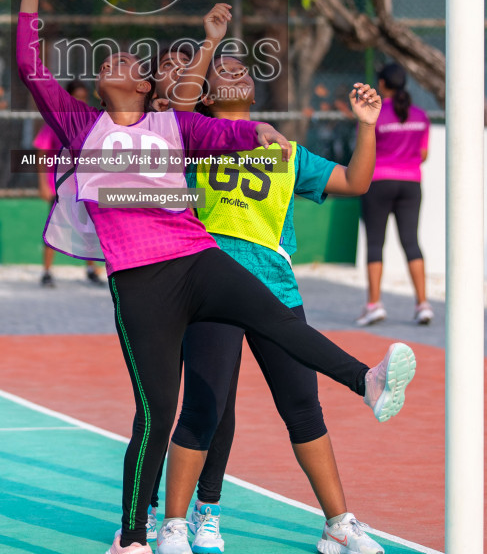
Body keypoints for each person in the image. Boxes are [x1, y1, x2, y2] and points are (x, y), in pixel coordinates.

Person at [5, 0, 416, 554]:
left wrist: (261, 131)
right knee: (159, 411)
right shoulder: (79, 125)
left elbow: (229, 127)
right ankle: (139, 537)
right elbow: (30, 63)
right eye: (114, 60)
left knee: (275, 317)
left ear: (144, 91)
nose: (118, 62)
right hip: (140, 283)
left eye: (129, 64)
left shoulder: (173, 125)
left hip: (196, 259)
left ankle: (367, 382)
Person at [150, 39, 386, 554]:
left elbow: (357, 180)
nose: (237, 72)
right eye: (224, 70)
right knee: (205, 408)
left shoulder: (287, 152)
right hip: (211, 288)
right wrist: (206, 48)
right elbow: (179, 114)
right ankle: (174, 524)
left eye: (242, 69)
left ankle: (338, 523)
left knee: (303, 408)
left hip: (275, 289)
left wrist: (366, 125)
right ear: (207, 96)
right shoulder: (195, 141)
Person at [357, 63, 432, 327]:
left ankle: (374, 305)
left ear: (383, 85)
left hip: (378, 182)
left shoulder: (374, 114)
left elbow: (364, 151)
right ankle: (423, 304)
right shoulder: (421, 115)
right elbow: (423, 155)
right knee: (411, 242)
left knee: (376, 243)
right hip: (411, 183)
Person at [33, 79, 105, 287]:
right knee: (56, 226)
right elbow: (42, 151)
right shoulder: (57, 123)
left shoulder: (91, 122)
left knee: (90, 227)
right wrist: (43, 184)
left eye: (83, 98)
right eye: (76, 97)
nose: (80, 101)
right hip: (60, 186)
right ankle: (46, 272)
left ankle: (91, 269)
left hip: (85, 185)